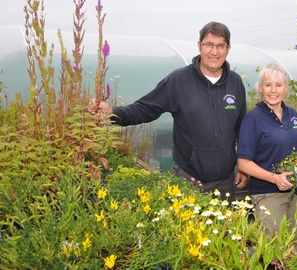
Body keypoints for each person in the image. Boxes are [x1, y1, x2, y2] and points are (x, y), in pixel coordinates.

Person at [89, 21, 248, 202]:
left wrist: (244, 166)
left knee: (225, 229)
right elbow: (146, 108)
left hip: (225, 181)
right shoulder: (179, 81)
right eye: (209, 44)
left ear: (228, 49)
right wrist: (113, 113)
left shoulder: (235, 82)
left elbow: (242, 129)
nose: (214, 51)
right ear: (199, 46)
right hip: (189, 179)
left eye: (220, 46)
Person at [236, 62, 297, 251]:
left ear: (286, 88)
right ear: (260, 88)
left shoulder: (293, 115)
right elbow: (243, 163)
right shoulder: (253, 119)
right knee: (274, 249)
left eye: (278, 85)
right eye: (268, 85)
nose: (273, 90)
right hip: (268, 194)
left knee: (295, 245)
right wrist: (274, 178)